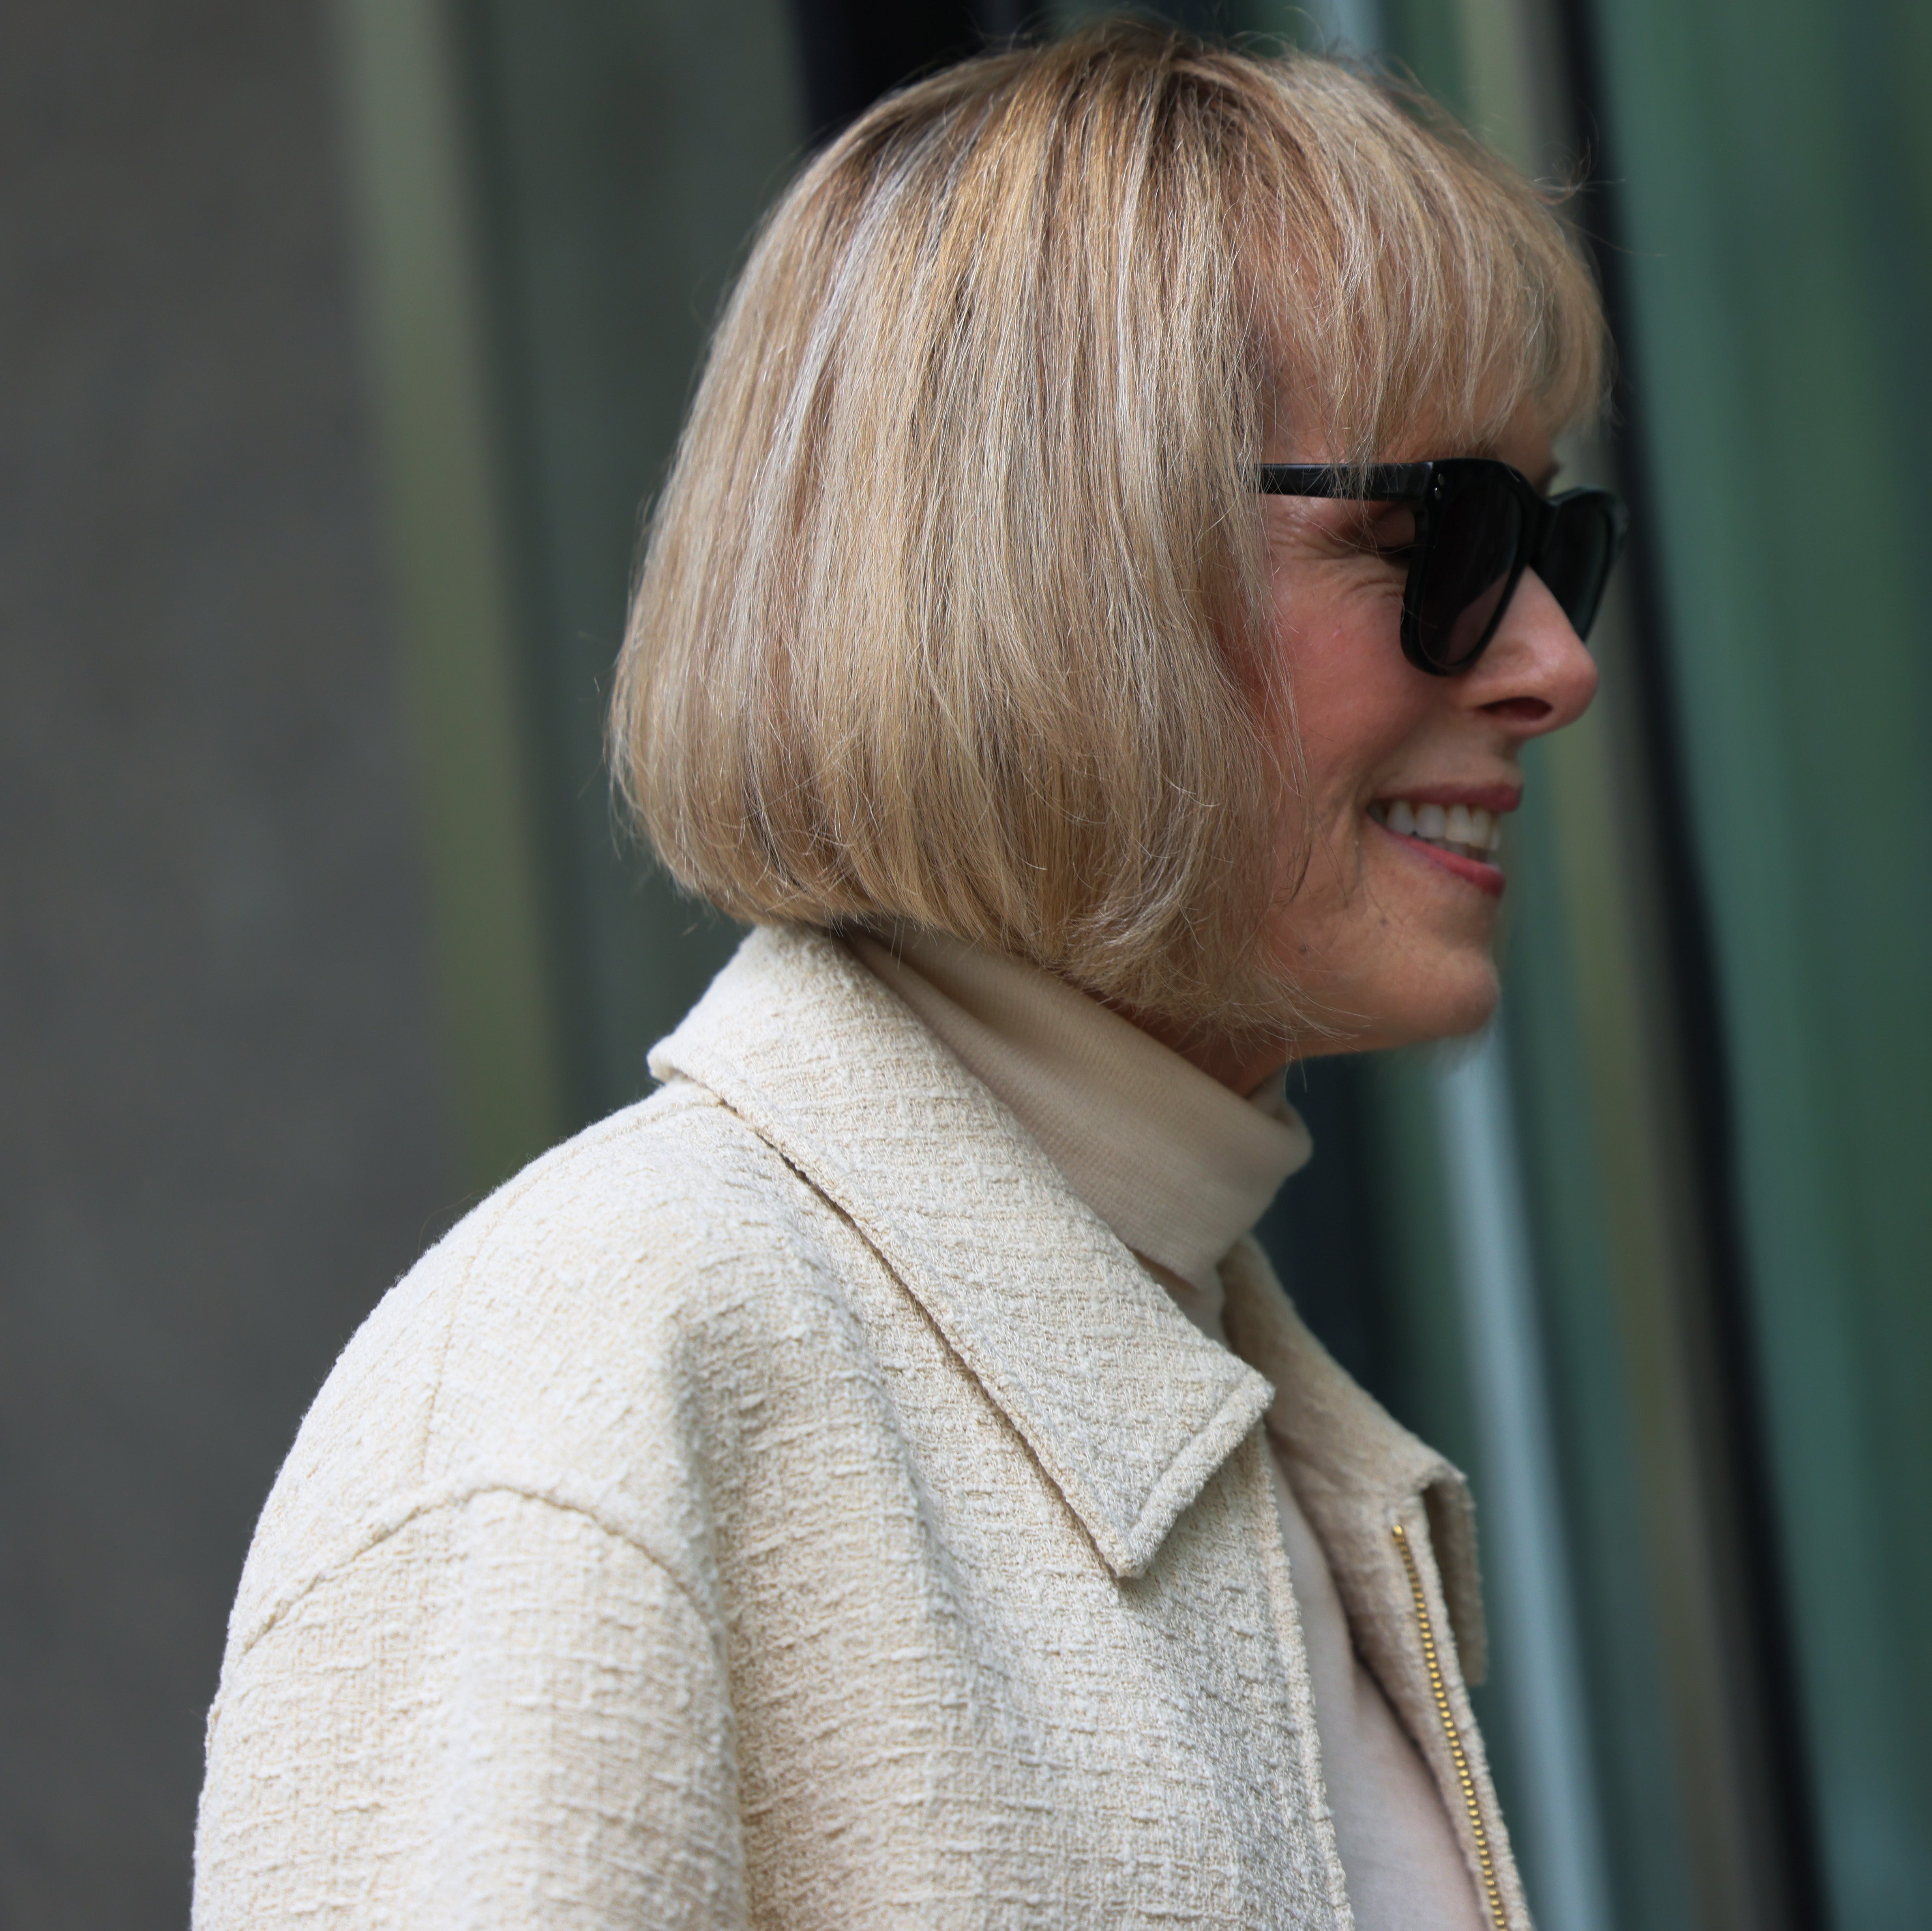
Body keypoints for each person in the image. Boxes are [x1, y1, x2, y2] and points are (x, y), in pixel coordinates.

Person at [192, 24, 1620, 1929]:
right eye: (1438, 537)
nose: (1549, 661)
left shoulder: (1209, 1370)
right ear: (1052, 569)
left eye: (1555, 542)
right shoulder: (597, 1381)